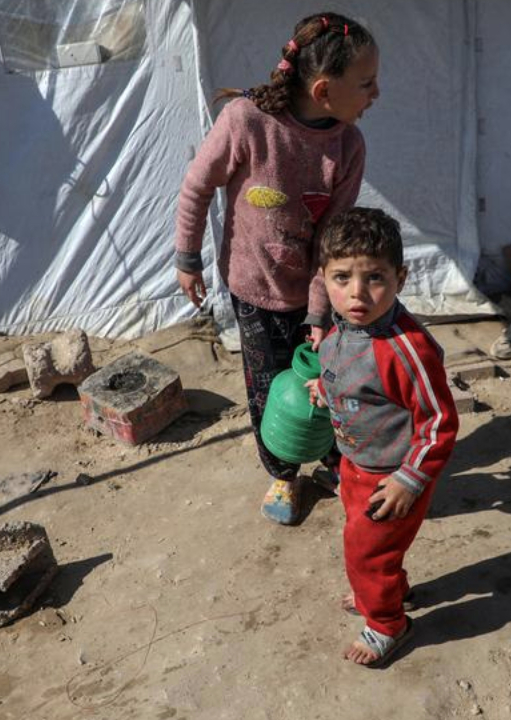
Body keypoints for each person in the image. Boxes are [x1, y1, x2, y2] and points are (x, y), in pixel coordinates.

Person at [174, 13, 379, 525]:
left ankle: (332, 460)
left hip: (318, 291)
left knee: (327, 380)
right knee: (270, 389)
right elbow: (197, 187)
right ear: (323, 89)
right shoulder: (246, 122)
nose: (377, 93)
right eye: (367, 83)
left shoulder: (348, 147)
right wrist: (187, 258)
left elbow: (333, 244)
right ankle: (284, 474)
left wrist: (319, 312)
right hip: (254, 290)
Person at [311, 208, 459, 667]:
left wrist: (409, 480)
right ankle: (386, 591)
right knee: (372, 549)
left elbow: (439, 421)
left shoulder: (406, 349)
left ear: (401, 278)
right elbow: (349, 373)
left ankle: (388, 623)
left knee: (365, 552)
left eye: (374, 277)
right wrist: (325, 388)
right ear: (323, 278)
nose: (357, 292)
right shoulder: (343, 326)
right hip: (354, 464)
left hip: (392, 477)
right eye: (342, 278)